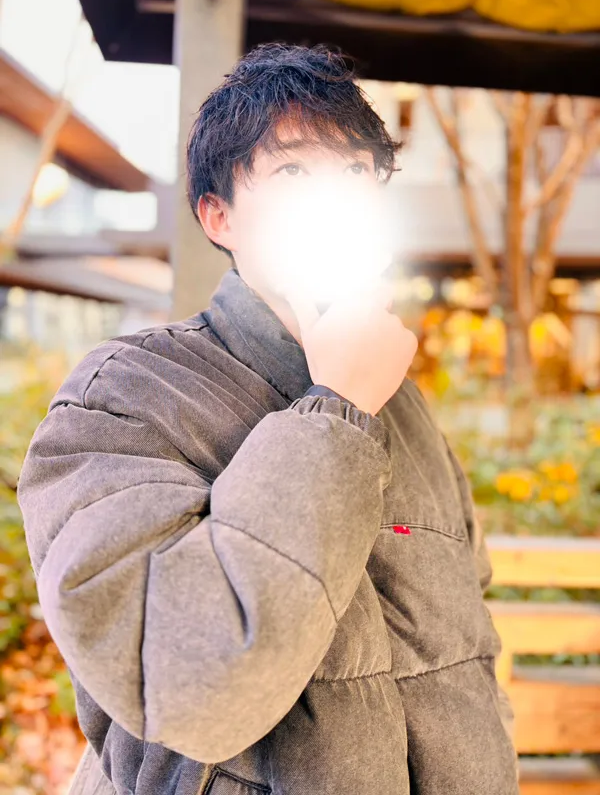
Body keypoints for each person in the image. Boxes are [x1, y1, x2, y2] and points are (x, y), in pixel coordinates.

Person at [18, 43, 519, 795]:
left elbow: (471, 655)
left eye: (357, 170)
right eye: (291, 172)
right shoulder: (124, 395)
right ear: (218, 216)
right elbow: (190, 686)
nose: (336, 196)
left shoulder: (404, 403)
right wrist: (336, 409)